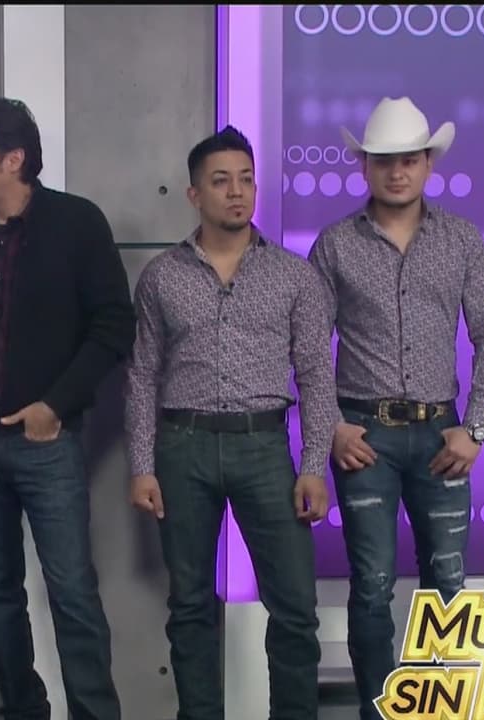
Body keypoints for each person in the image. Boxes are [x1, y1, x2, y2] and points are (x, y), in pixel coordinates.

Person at [0, 97, 133, 720]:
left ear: (14, 159)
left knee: (72, 593)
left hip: (46, 442)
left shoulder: (76, 222)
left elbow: (114, 326)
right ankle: (24, 709)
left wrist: (55, 405)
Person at [307, 97, 484, 719]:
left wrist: (476, 429)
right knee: (370, 585)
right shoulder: (335, 244)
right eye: (384, 160)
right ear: (364, 166)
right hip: (363, 436)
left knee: (448, 584)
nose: (397, 172)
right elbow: (309, 347)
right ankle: (379, 711)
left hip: (441, 434)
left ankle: (436, 707)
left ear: (428, 164)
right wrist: (333, 426)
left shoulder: (462, 239)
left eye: (410, 160)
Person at [125, 125, 334, 720]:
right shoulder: (162, 276)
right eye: (221, 182)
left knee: (294, 607)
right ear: (195, 194)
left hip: (264, 448)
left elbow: (317, 376)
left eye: (246, 180)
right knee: (190, 606)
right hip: (182, 448)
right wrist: (142, 465)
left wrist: (313, 465)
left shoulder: (294, 275)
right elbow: (141, 375)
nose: (237, 192)